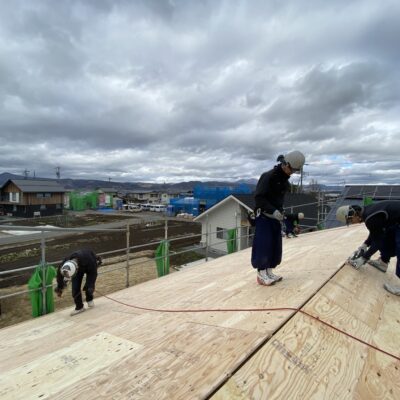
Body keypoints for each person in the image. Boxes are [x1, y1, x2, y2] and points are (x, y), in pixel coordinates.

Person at [251, 150, 306, 285]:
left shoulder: (284, 181)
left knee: (274, 245)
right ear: (286, 164)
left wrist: (280, 212)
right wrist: (272, 210)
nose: (292, 173)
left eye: (295, 171)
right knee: (264, 244)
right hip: (264, 217)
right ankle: (261, 274)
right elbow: (259, 198)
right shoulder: (268, 176)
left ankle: (269, 271)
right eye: (292, 170)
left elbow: (278, 200)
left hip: (275, 217)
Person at [336, 200, 400, 295]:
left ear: (353, 215)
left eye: (350, 221)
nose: (352, 223)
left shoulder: (370, 218)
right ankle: (383, 262)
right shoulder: (368, 212)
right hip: (397, 223)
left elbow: (378, 242)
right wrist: (365, 244)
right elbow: (376, 232)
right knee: (387, 234)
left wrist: (364, 257)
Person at [55, 249, 102, 316]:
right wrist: (59, 288)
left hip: (88, 264)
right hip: (77, 269)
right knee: (75, 287)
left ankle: (89, 299)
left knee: (89, 287)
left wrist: (90, 285)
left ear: (76, 268)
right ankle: (79, 307)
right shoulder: (64, 264)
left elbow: (93, 274)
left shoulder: (90, 260)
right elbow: (59, 276)